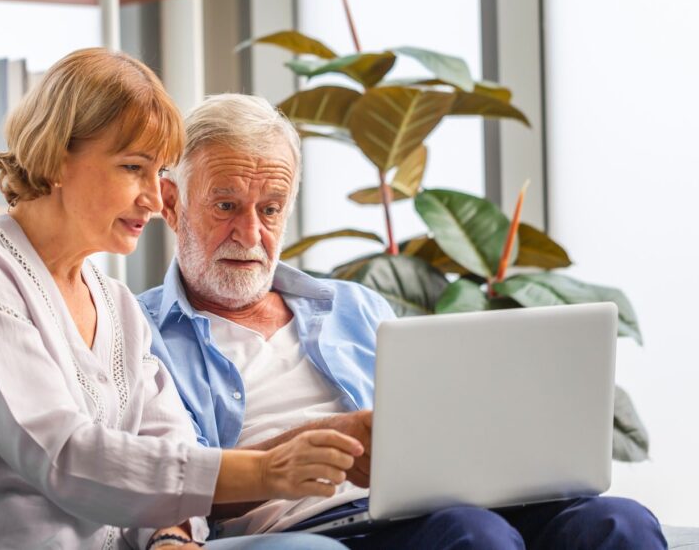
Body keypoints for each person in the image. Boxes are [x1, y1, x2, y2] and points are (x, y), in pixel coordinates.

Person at [0, 49, 359, 550]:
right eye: (133, 167)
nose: (154, 197)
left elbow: (169, 444)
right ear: (57, 157)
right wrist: (266, 471)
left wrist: (170, 537)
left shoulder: (116, 304)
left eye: (158, 172)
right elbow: (63, 456)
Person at [138, 94, 669, 549]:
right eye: (226, 206)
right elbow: (162, 482)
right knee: (473, 535)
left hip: (438, 503)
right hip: (323, 524)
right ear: (172, 203)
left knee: (619, 523)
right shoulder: (140, 333)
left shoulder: (355, 305)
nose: (251, 233)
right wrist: (322, 443)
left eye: (270, 209)